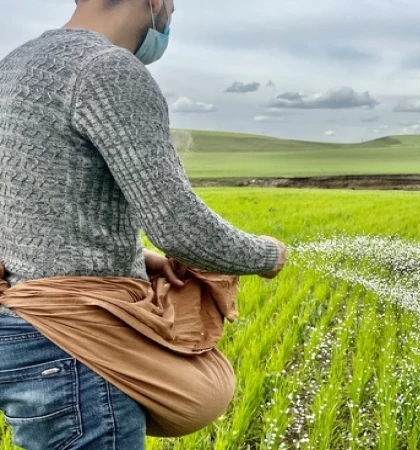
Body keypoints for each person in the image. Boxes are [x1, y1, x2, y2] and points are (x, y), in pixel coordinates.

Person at [0, 0, 287, 448]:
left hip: (19, 330)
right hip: (75, 346)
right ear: (155, 3)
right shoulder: (106, 69)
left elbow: (28, 203)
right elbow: (179, 227)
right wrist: (268, 255)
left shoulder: (14, 66)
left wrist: (139, 257)